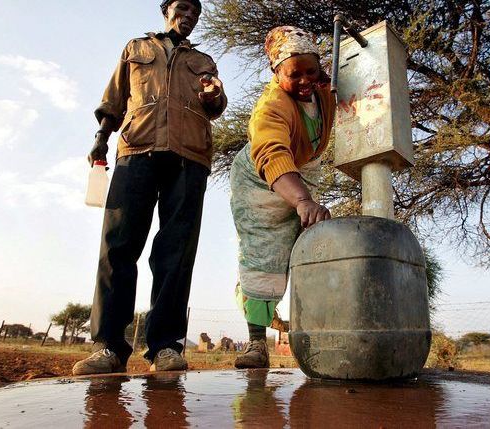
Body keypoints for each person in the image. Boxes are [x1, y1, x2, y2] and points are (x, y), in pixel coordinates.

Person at [73, 0, 227, 375]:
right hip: (136, 149)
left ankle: (166, 347)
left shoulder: (204, 61)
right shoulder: (136, 48)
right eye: (183, 8)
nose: (189, 16)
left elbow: (217, 105)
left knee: (177, 251)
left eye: (196, 13)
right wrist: (101, 137)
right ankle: (108, 347)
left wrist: (212, 96)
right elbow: (113, 98)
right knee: (118, 244)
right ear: (167, 10)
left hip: (190, 157)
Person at [230, 26, 335, 368]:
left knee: (307, 245)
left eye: (311, 71)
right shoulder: (271, 106)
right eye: (295, 74)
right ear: (276, 73)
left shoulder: (325, 89)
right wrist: (303, 201)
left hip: (302, 171)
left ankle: (316, 334)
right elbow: (272, 154)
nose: (305, 80)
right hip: (260, 179)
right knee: (266, 255)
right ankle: (257, 343)